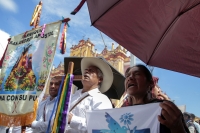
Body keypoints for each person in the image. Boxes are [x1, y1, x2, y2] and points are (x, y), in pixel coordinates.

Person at [123, 64, 189, 133]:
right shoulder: (122, 114)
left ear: (151, 83)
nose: (130, 78)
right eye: (127, 76)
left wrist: (177, 128)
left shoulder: (165, 108)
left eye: (137, 74)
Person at [65, 57, 113, 133]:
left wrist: (72, 120)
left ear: (100, 79)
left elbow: (100, 127)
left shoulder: (102, 99)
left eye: (91, 71)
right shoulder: (72, 96)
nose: (86, 72)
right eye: (86, 71)